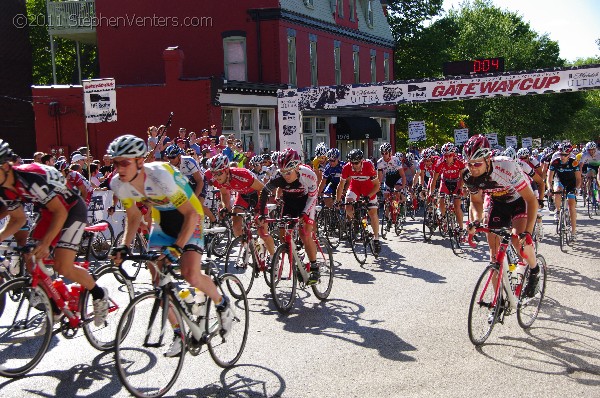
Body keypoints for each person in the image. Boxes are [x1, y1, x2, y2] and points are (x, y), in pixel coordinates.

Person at [108, 135, 234, 357]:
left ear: (139, 162)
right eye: (116, 162)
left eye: (125, 162)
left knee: (190, 274)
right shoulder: (119, 183)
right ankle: (179, 333)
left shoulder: (159, 176)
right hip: (163, 221)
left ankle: (222, 303)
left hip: (188, 217)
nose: (120, 168)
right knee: (158, 284)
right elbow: (133, 215)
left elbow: (191, 214)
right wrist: (124, 246)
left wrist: (178, 247)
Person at [0, 139, 109, 326]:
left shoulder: (28, 178)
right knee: (31, 257)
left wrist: (45, 243)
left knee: (62, 266)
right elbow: (18, 219)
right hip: (49, 211)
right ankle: (55, 307)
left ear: (5, 166)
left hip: (71, 209)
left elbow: (61, 211)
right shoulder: (5, 189)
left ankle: (99, 294)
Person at [461, 135, 540, 298]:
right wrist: (475, 220)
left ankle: (534, 270)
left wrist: (528, 232)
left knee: (519, 242)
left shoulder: (507, 167)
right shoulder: (468, 176)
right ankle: (499, 302)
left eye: (477, 163)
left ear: (488, 159)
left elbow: (531, 200)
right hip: (497, 203)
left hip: (519, 200)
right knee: (494, 257)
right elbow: (476, 202)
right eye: (469, 164)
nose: (473, 168)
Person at [258, 148, 320, 284]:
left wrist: (304, 214)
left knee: (305, 234)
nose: (285, 175)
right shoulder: (278, 178)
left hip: (306, 202)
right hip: (290, 203)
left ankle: (315, 267)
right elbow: (264, 192)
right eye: (282, 172)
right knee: (283, 236)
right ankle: (298, 257)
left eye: (288, 172)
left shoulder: (308, 175)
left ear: (297, 167)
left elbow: (313, 196)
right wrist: (262, 214)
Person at [335, 149, 381, 255]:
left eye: (356, 163)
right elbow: (341, 185)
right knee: (348, 205)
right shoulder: (347, 167)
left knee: (372, 213)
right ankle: (356, 221)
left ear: (361, 161)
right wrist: (337, 201)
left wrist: (368, 197)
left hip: (369, 188)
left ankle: (376, 239)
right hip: (355, 187)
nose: (354, 165)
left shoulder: (368, 166)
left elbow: (377, 185)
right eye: (352, 163)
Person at [547, 142, 581, 240]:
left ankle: (574, 231)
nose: (562, 157)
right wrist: (549, 188)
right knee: (557, 191)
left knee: (571, 206)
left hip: (571, 183)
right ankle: (558, 211)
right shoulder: (555, 161)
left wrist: (577, 189)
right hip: (559, 180)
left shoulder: (574, 162)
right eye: (561, 154)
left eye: (565, 155)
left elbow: (578, 179)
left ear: (569, 154)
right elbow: (549, 179)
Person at [429, 142, 466, 232]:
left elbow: (462, 177)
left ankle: (461, 228)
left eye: (450, 155)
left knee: (457, 207)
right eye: (445, 156)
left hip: (457, 182)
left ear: (454, 154)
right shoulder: (439, 163)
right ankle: (444, 217)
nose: (448, 158)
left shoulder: (460, 161)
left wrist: (461, 188)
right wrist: (431, 192)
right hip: (445, 181)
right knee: (441, 200)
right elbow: (434, 179)